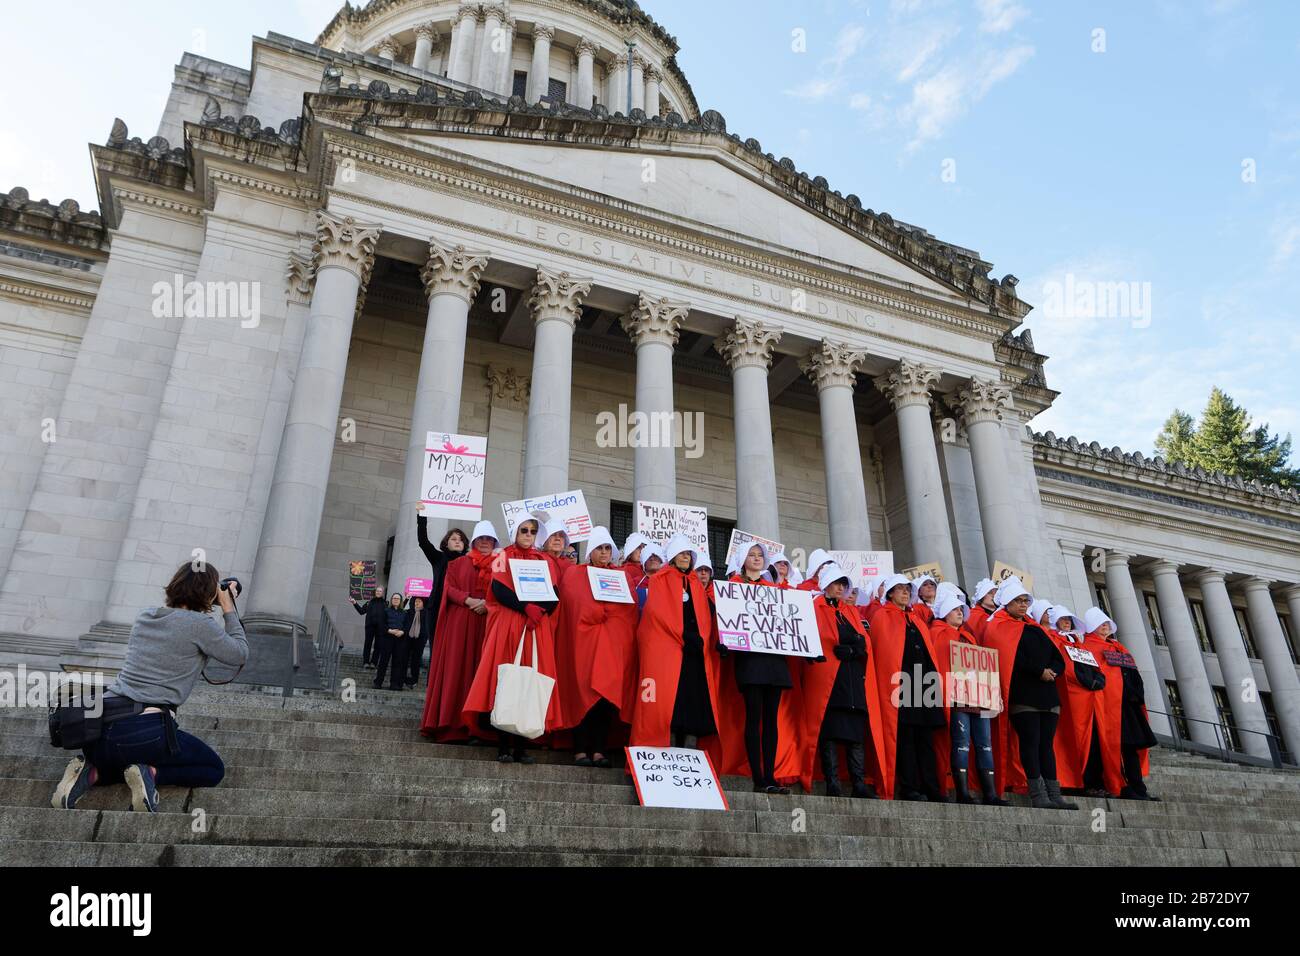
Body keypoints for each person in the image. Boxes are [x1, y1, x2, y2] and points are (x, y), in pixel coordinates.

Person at [52, 561, 249, 813]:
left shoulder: (146, 616)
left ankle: (92, 773)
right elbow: (240, 654)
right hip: (146, 733)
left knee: (121, 752)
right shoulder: (201, 626)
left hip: (96, 731)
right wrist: (228, 606)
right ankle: (150, 772)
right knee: (213, 769)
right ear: (208, 592)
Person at [462, 516, 562, 763]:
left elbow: (555, 592)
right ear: (515, 531)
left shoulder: (544, 560)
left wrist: (539, 611)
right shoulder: (502, 555)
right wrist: (525, 607)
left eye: (533, 531)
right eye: (524, 530)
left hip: (534, 626)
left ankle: (521, 745)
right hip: (510, 623)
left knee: (529, 682)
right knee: (506, 680)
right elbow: (498, 589)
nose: (528, 534)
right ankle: (503, 745)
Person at [628, 536, 729, 765]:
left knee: (692, 699)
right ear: (672, 556)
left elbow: (703, 616)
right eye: (682, 553)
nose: (686, 557)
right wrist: (683, 636)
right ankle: (669, 748)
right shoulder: (660, 579)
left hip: (694, 653)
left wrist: (702, 639)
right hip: (670, 650)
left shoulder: (694, 583)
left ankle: (690, 753)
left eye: (689, 554)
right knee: (669, 701)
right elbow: (659, 614)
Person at [983, 577, 1076, 810]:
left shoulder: (1035, 628)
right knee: (1030, 743)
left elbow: (1057, 657)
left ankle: (1054, 794)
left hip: (1048, 695)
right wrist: (1039, 671)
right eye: (1018, 600)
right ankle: (1038, 794)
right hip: (1023, 695)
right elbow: (1009, 658)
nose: (1023, 604)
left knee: (1046, 745)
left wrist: (1053, 670)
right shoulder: (999, 626)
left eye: (1026, 600)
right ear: (1007, 602)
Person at [800, 565, 886, 798]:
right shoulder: (815, 608)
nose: (841, 588)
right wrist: (849, 646)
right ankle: (833, 782)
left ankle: (858, 783)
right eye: (837, 583)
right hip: (829, 680)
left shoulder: (850, 612)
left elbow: (863, 642)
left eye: (843, 584)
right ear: (826, 584)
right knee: (829, 731)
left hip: (852, 679)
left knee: (855, 733)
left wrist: (853, 649)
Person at [555, 527, 637, 768]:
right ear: (590, 552)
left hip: (611, 646)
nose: (604, 552)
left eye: (607, 548)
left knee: (606, 699)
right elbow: (572, 605)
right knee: (581, 694)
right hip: (584, 645)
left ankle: (599, 749)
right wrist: (594, 614)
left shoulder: (621, 576)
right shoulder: (575, 574)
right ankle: (580, 749)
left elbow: (629, 611)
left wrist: (610, 616)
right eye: (600, 548)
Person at [869, 573, 948, 801]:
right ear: (891, 593)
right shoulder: (882, 617)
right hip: (900, 685)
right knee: (905, 738)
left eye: (907, 589)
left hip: (924, 685)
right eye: (900, 589)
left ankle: (932, 787)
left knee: (925, 739)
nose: (905, 592)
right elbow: (884, 655)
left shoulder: (917, 621)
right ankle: (910, 787)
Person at [725, 542, 796, 794]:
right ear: (743, 559)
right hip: (751, 662)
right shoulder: (733, 585)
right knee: (754, 717)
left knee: (771, 720)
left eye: (759, 555)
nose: (756, 558)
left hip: (774, 661)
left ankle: (771, 774)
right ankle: (758, 777)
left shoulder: (773, 590)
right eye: (751, 555)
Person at [420, 520, 499, 742]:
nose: (485, 542)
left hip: (488, 625)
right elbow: (449, 589)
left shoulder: (501, 566)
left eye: (489, 539)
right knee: (458, 670)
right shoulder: (457, 564)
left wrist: (489, 604)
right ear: (474, 541)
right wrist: (469, 600)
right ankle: (454, 725)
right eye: (481, 538)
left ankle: (480, 728)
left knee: (481, 674)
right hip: (461, 624)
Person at [928, 590, 1005, 804]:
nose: (960, 612)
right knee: (962, 742)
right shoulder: (937, 633)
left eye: (960, 609)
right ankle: (962, 792)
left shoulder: (970, 636)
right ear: (944, 612)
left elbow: (983, 666)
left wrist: (993, 694)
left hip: (978, 697)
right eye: (954, 609)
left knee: (984, 743)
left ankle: (990, 793)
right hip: (957, 697)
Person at [1085, 607, 1160, 801]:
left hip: (1127, 706)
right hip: (1108, 707)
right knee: (1114, 747)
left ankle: (1138, 788)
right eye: (1101, 624)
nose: (1105, 627)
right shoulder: (1088, 648)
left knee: (1131, 748)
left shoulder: (1120, 648)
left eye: (1107, 624)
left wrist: (1136, 694)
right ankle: (1122, 786)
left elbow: (1134, 673)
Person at [1044, 605, 1111, 796]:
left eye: (1069, 619)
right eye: (1063, 619)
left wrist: (1097, 679)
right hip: (1074, 698)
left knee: (1093, 742)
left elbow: (1091, 663)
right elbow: (1066, 668)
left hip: (1089, 698)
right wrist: (1086, 681)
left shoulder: (1076, 641)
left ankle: (1094, 782)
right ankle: (1078, 782)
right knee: (1076, 741)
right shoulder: (1056, 640)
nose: (1067, 622)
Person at [415, 504, 467, 642]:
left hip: (458, 609)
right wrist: (421, 516)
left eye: (461, 540)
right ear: (446, 543)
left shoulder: (469, 561)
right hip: (436, 608)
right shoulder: (438, 558)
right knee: (436, 645)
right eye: (454, 539)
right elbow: (423, 542)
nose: (458, 542)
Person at [373, 592, 409, 691]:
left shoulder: (404, 613)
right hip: (387, 638)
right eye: (394, 598)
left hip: (399, 640)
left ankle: (394, 684)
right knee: (383, 661)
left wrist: (402, 631)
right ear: (391, 600)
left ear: (401, 601)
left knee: (397, 663)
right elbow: (381, 624)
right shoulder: (386, 611)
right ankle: (378, 682)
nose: (396, 600)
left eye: (397, 598)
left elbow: (407, 625)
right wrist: (390, 630)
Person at [349, 585, 387, 668]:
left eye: (380, 591)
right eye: (377, 591)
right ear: (375, 592)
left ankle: (374, 663)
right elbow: (361, 611)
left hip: (381, 628)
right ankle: (366, 662)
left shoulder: (385, 603)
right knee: (367, 644)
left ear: (382, 593)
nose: (378, 592)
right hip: (370, 627)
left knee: (378, 645)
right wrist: (354, 603)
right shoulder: (369, 602)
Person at [403, 595, 435, 689]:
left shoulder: (426, 613)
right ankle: (403, 678)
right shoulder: (409, 612)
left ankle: (414, 680)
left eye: (419, 601)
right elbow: (401, 608)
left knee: (416, 660)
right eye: (416, 601)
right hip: (408, 638)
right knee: (404, 658)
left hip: (420, 639)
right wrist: (407, 598)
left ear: (423, 603)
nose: (417, 603)